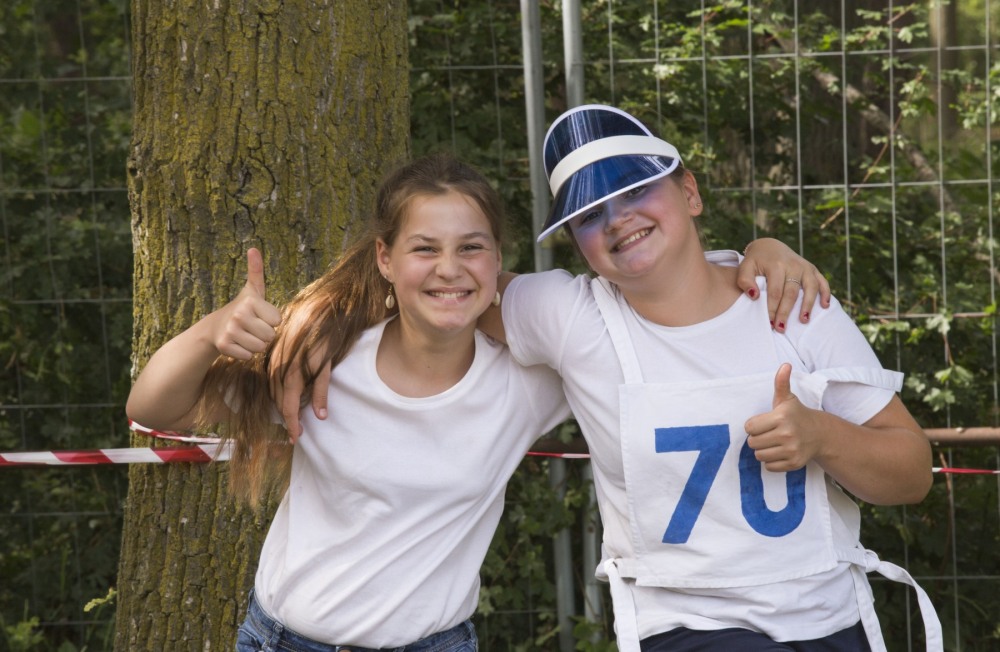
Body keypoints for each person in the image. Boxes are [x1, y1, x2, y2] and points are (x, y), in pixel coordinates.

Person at [278, 108, 942, 651]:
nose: (617, 218)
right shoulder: (571, 316)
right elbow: (448, 285)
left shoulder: (792, 303)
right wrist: (321, 313)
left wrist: (823, 436)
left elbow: (912, 473)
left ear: (690, 192)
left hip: (828, 618)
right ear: (579, 245)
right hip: (686, 627)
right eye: (590, 215)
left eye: (635, 191)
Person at [126, 155, 575, 651]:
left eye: (471, 247)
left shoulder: (529, 380)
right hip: (284, 642)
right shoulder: (320, 359)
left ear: (497, 257)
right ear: (385, 258)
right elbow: (151, 409)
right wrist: (211, 331)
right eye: (424, 248)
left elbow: (623, 325)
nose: (449, 268)